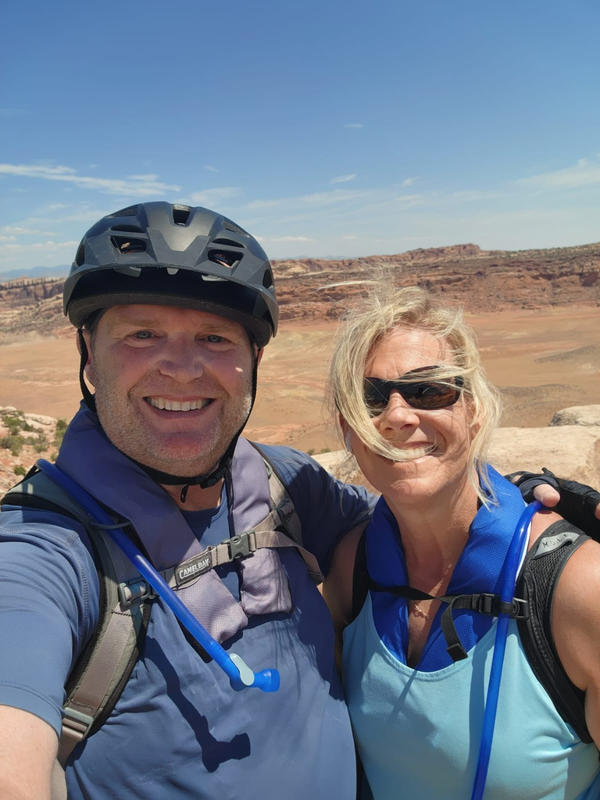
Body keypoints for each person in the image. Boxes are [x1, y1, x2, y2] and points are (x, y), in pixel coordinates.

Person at [0, 204, 591, 800]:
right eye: (142, 334)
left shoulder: (289, 484)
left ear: (253, 360)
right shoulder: (41, 549)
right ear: (87, 352)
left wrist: (512, 504)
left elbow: (414, 508)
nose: (181, 368)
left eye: (214, 336)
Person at [324, 285, 600, 799]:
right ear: (348, 427)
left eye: (430, 391)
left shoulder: (577, 588)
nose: (398, 416)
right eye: (370, 397)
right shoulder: (352, 566)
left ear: (474, 411)